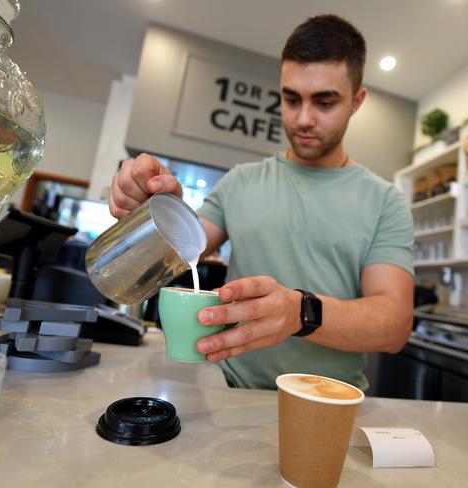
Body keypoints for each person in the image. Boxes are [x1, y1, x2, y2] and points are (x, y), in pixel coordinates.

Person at [109, 14, 414, 390]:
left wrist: (299, 312)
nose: (303, 119)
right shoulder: (240, 182)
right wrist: (152, 213)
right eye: (291, 99)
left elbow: (394, 324)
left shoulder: (384, 201)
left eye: (324, 102)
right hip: (232, 393)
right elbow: (172, 257)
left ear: (356, 101)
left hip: (331, 402)